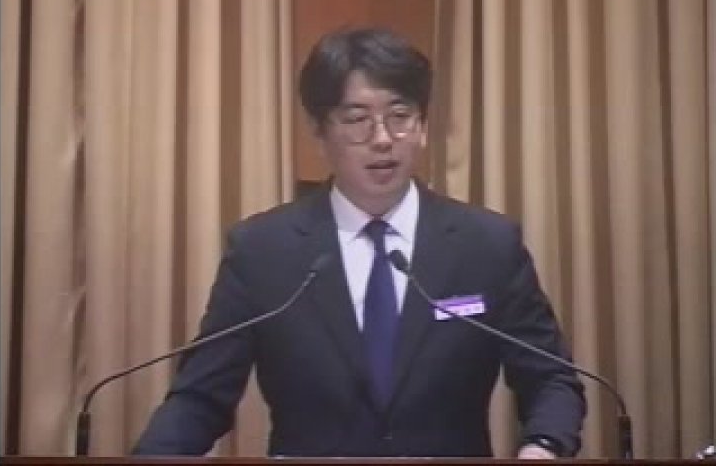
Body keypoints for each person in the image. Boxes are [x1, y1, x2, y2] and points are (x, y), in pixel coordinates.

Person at [133, 27, 586, 459]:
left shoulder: (486, 245)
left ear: (423, 126)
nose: (383, 139)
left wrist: (542, 447)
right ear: (319, 131)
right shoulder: (263, 251)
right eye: (357, 120)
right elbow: (200, 397)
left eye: (400, 117)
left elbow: (551, 378)